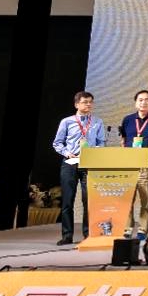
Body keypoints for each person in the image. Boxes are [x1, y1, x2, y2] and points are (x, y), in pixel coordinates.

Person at [52, 91, 106, 245]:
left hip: (89, 163)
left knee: (88, 200)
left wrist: (95, 150)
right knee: (67, 200)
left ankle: (88, 234)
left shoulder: (97, 121)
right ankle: (67, 235)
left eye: (90, 102)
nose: (88, 104)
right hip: (70, 162)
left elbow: (102, 142)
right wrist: (66, 153)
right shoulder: (67, 122)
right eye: (85, 102)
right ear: (76, 104)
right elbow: (57, 143)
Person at [118, 89, 148, 240]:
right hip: (128, 165)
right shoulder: (128, 120)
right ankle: (127, 228)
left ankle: (143, 229)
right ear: (136, 103)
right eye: (140, 100)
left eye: (147, 99)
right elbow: (124, 140)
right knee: (126, 198)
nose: (143, 102)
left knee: (147, 199)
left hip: (147, 165)